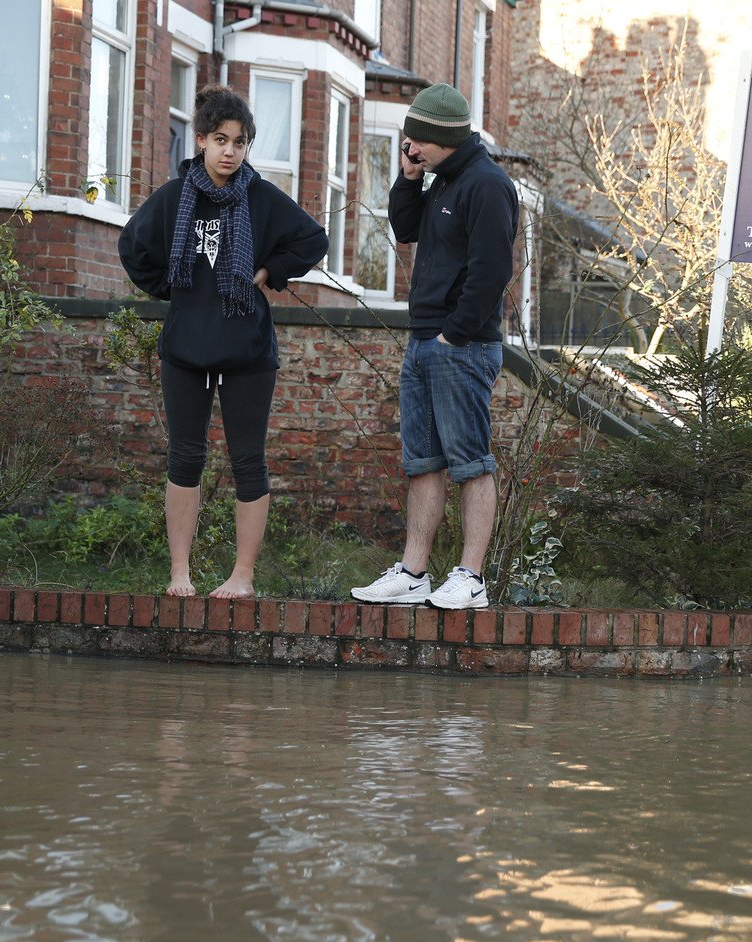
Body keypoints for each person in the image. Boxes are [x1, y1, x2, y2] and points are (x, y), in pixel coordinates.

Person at [119, 85, 328, 599]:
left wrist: (268, 271)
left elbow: (313, 240)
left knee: (247, 460)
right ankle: (180, 574)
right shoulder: (174, 197)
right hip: (186, 348)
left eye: (240, 142)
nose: (231, 151)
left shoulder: (261, 197)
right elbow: (132, 246)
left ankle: (242, 576)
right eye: (221, 140)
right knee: (184, 458)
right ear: (201, 140)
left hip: (248, 350)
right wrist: (173, 288)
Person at [350, 83, 519, 610]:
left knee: (471, 462)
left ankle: (471, 578)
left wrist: (455, 334)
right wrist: (408, 179)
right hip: (423, 341)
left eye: (416, 141)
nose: (410, 146)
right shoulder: (441, 182)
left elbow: (492, 272)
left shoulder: (487, 185)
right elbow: (404, 229)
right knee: (422, 461)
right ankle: (414, 573)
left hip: (461, 347)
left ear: (441, 137)